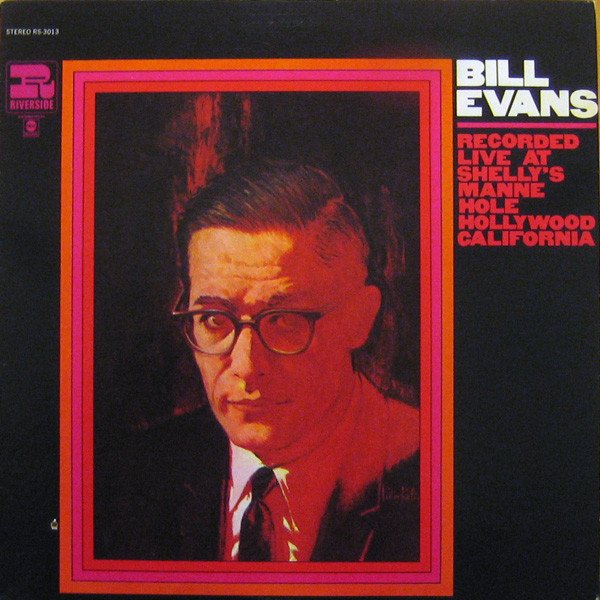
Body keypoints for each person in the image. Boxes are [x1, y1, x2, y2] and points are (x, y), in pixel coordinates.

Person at [95, 160, 420, 562]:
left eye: (284, 320)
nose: (246, 365)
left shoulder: (429, 468)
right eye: (214, 320)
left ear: (360, 319)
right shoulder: (127, 478)